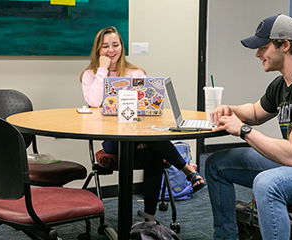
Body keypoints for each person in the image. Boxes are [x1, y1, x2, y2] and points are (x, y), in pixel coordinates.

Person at [205, 14, 292, 240]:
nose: (258, 54)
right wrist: (231, 109)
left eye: (263, 47)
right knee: (216, 164)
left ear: (285, 45)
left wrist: (242, 130)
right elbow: (255, 112)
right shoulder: (283, 82)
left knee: (267, 184)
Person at [80, 26, 207, 217]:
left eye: (115, 45)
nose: (111, 50)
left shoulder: (136, 73)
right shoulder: (90, 75)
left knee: (151, 153)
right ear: (98, 49)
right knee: (150, 145)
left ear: (122, 47)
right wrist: (103, 70)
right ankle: (188, 170)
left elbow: (149, 109)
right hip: (112, 140)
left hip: (140, 133)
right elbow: (94, 102)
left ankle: (149, 218)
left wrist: (139, 135)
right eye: (105, 46)